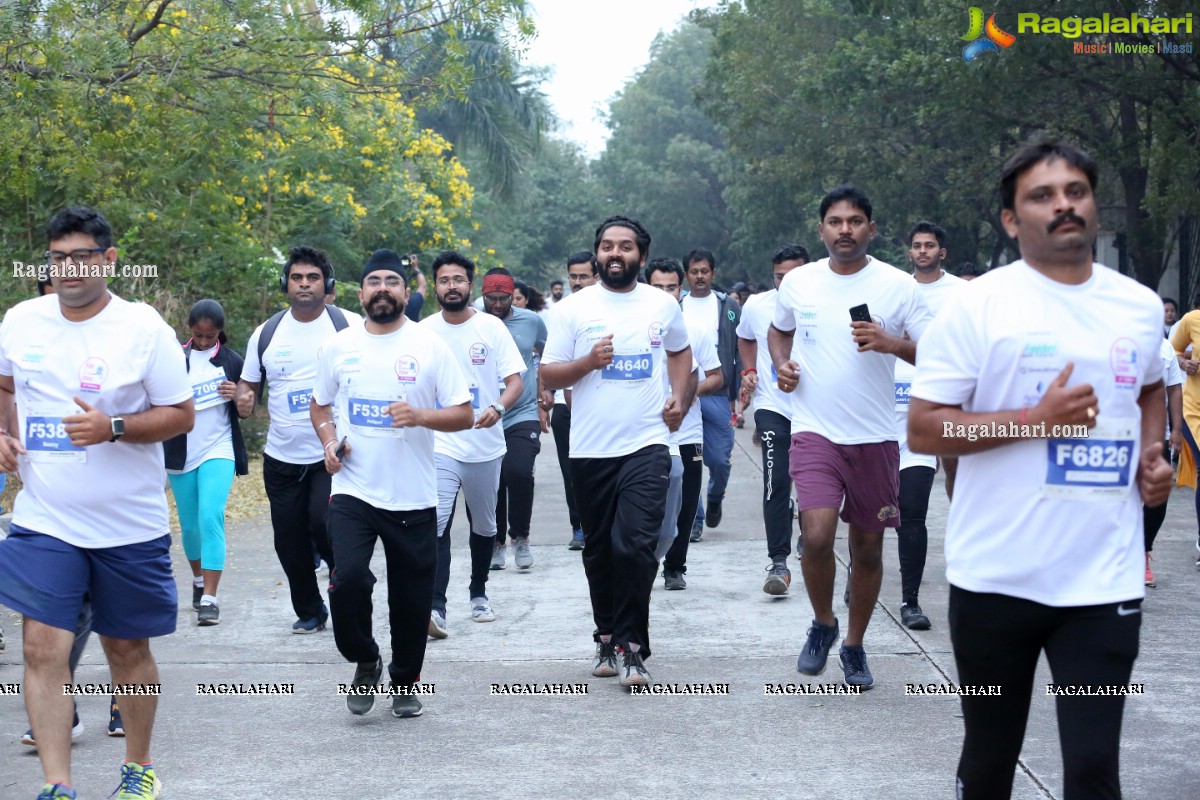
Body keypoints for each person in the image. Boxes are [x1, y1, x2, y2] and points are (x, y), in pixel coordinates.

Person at [908, 139, 1170, 800]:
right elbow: (925, 425)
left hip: (1100, 583)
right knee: (990, 763)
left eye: (1075, 191)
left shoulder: (1138, 305)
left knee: (1091, 769)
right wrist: (1035, 421)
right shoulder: (976, 306)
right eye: (1042, 196)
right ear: (1010, 218)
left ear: (1093, 202)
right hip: (996, 580)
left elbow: (1146, 387)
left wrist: (1151, 452)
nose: (1063, 206)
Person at [0, 205, 194, 800]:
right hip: (45, 517)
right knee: (41, 646)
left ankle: (137, 768)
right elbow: (5, 385)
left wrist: (113, 426)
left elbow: (180, 415)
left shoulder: (143, 330)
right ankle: (57, 783)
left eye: (82, 256)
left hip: (127, 523)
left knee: (126, 648)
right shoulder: (21, 319)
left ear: (110, 261)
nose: (68, 269)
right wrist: (4, 431)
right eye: (57, 258)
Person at [769, 185, 933, 689]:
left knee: (867, 548)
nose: (845, 229)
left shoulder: (900, 286)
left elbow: (939, 352)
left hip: (877, 438)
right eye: (836, 222)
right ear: (821, 230)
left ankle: (855, 645)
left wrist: (892, 343)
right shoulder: (799, 283)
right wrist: (783, 366)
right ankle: (822, 623)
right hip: (815, 431)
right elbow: (779, 331)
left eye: (856, 221)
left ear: (871, 229)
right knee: (816, 535)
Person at [312, 253, 473, 719]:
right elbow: (321, 407)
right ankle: (365, 658)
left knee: (410, 599)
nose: (383, 289)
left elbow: (463, 413)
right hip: (353, 491)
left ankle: (405, 680)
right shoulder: (338, 347)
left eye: (393, 282)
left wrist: (421, 415)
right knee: (347, 582)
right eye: (373, 282)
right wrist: (328, 441)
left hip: (414, 494)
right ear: (359, 294)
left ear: (407, 292)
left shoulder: (430, 346)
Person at [542, 215, 692, 688]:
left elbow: (681, 353)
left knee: (637, 546)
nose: (615, 254)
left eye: (625, 247)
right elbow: (549, 375)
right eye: (607, 246)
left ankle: (631, 646)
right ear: (597, 254)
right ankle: (606, 634)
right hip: (589, 449)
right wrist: (589, 362)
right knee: (601, 550)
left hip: (647, 443)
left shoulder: (661, 306)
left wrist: (680, 399)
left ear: (641, 257)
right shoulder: (573, 308)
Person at [235, 246, 362, 633]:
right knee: (288, 541)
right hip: (281, 457)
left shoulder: (349, 325)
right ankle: (310, 610)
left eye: (312, 278)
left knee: (324, 524)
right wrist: (243, 399)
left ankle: (346, 597)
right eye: (297, 278)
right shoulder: (267, 332)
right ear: (285, 284)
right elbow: (249, 386)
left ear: (328, 285)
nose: (304, 284)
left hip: (334, 454)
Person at [421, 253, 525, 635]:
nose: (452, 286)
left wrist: (498, 407)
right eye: (445, 279)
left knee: (484, 525)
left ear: (470, 285)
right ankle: (436, 605)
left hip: (484, 441)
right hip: (440, 442)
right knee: (436, 522)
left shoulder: (492, 329)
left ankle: (479, 592)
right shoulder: (424, 330)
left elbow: (515, 381)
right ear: (435, 286)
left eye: (459, 279)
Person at [891, 221, 967, 630]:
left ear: (942, 251)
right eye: (916, 245)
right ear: (909, 252)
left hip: (935, 408)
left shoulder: (961, 293)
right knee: (868, 511)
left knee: (913, 510)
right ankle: (859, 572)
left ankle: (910, 601)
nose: (922, 251)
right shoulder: (895, 290)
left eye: (930, 246)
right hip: (884, 413)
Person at [163, 300, 248, 626]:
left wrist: (236, 394)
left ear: (219, 332)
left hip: (219, 447)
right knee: (190, 526)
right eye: (197, 335)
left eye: (209, 336)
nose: (202, 341)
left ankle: (210, 598)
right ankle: (198, 580)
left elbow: (247, 408)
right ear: (190, 330)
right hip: (180, 452)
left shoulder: (232, 361)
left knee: (211, 515)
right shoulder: (174, 359)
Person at [736, 244, 808, 595]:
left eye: (793, 276)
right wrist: (749, 370)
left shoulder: (824, 303)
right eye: (780, 276)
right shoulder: (757, 305)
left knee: (812, 485)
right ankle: (778, 562)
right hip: (772, 406)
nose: (786, 283)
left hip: (817, 411)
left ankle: (810, 535)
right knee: (775, 482)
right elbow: (745, 338)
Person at [646, 258, 714, 590]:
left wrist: (681, 400)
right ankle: (644, 560)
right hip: (644, 432)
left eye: (670, 287)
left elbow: (712, 376)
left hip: (686, 430)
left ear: (681, 289)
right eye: (657, 287)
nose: (664, 293)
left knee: (686, 503)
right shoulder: (631, 326)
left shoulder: (694, 329)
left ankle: (675, 566)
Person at [482, 270, 551, 572]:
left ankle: (520, 536)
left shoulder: (530, 321)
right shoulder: (474, 323)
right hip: (485, 415)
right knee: (494, 480)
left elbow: (550, 353)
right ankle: (496, 542)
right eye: (491, 299)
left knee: (518, 471)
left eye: (503, 298)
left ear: (514, 296)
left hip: (523, 411)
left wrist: (545, 388)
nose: (497, 304)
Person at [681, 248, 741, 534]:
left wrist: (738, 393)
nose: (700, 276)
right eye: (694, 272)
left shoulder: (727, 306)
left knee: (719, 459)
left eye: (705, 271)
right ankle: (695, 518)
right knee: (685, 459)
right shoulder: (676, 306)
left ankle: (715, 497)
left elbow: (741, 350)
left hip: (716, 391)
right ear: (686, 276)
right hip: (683, 391)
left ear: (713, 274)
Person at [552, 252, 599, 551]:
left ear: (596, 276)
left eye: (584, 276)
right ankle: (578, 526)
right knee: (572, 471)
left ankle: (599, 523)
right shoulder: (561, 311)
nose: (578, 282)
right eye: (574, 276)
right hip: (563, 406)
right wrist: (546, 392)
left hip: (598, 404)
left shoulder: (606, 309)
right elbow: (549, 361)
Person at [1144, 337, 1183, 587]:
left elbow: (1175, 388)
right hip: (1119, 436)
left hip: (1159, 437)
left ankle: (1143, 550)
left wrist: (1177, 429)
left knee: (1157, 500)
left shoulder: (1164, 347)